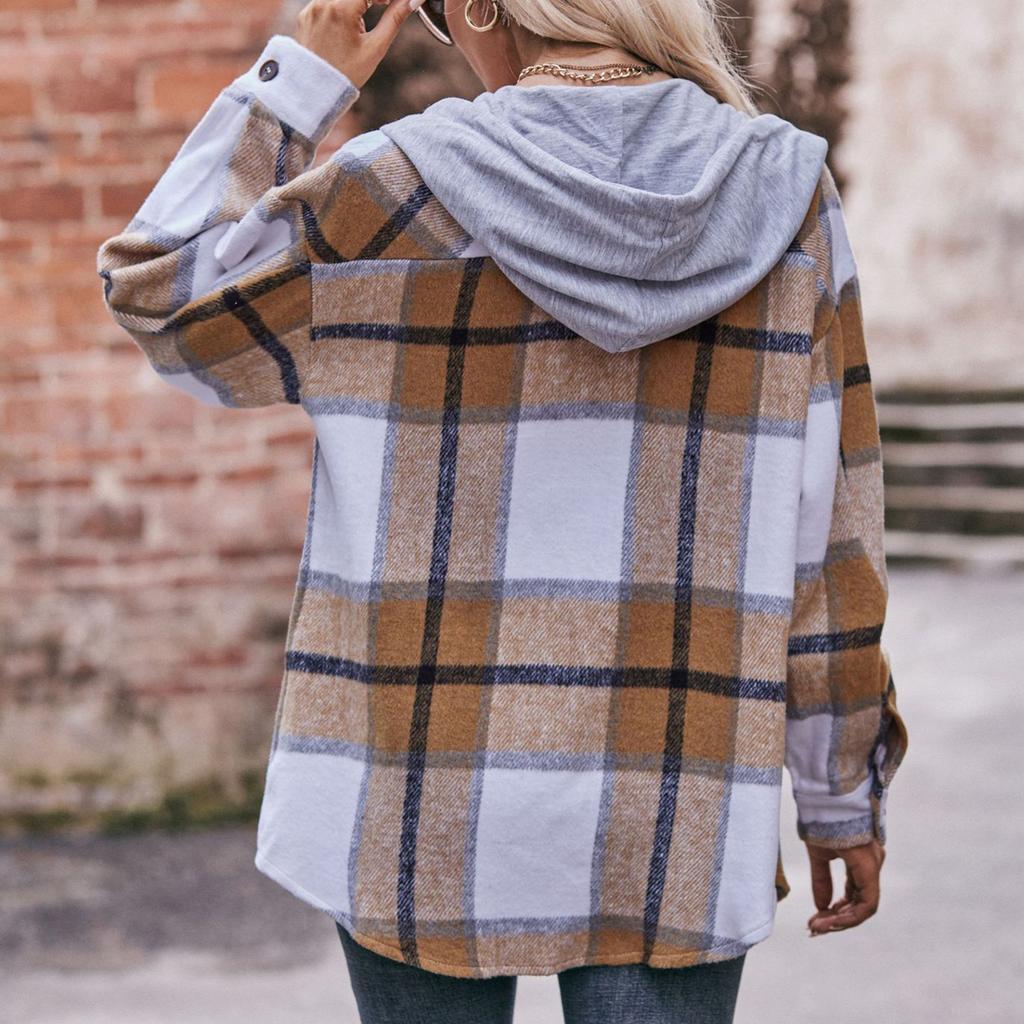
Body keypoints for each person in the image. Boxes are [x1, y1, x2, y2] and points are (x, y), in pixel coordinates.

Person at [95, 0, 910, 1020]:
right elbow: (828, 533)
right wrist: (838, 793)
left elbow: (160, 292)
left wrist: (301, 79)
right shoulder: (783, 191)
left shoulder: (390, 189)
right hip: (677, 785)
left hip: (415, 784)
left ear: (483, 4)